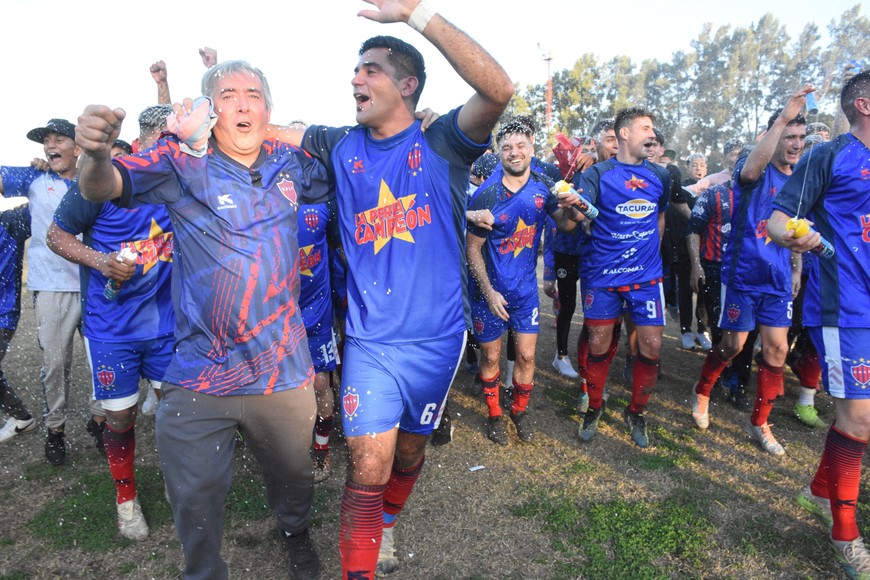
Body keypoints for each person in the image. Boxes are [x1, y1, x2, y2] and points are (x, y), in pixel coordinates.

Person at [280, 2, 513, 576]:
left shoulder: (443, 144)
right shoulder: (337, 144)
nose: (356, 78)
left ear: (407, 85)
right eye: (356, 70)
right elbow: (262, 130)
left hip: (436, 340)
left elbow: (499, 90)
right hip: (369, 341)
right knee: (366, 464)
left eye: (371, 69)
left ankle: (387, 523)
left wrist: (416, 14)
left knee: (407, 453)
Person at [75, 60, 330, 579]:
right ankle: (202, 570)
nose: (241, 104)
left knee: (293, 476)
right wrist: (96, 154)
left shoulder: (293, 163)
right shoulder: (179, 162)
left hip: (281, 369)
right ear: (209, 110)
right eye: (228, 95)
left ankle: (295, 531)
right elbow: (103, 186)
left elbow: (353, 162)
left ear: (269, 107)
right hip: (199, 372)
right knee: (193, 493)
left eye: (253, 94)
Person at [45, 104, 176, 541]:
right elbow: (55, 235)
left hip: (167, 325)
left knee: (177, 413)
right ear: (146, 143)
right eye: (168, 142)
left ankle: (180, 487)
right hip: (112, 328)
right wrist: (101, 261)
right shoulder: (102, 182)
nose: (174, 153)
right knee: (120, 420)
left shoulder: (181, 180)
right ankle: (126, 500)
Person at [768, 70, 870, 578]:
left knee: (860, 420)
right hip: (844, 306)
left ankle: (817, 492)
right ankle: (845, 536)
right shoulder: (828, 156)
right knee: (860, 422)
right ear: (865, 104)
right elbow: (777, 220)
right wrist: (797, 237)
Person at [688, 87, 811, 456]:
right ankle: (702, 390)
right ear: (775, 137)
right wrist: (782, 120)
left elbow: (798, 227)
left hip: (776, 279)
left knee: (775, 351)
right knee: (732, 345)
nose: (795, 144)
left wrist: (796, 269)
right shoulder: (754, 169)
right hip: (742, 275)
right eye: (789, 136)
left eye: (800, 138)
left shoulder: (802, 179)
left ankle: (759, 422)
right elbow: (753, 168)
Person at [467, 116, 584, 445]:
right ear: (499, 153)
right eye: (507, 147)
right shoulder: (486, 194)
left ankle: (519, 410)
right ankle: (494, 414)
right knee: (490, 357)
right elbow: (472, 250)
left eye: (520, 146)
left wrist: (572, 208)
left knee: (527, 356)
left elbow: (566, 226)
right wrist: (489, 292)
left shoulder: (545, 186)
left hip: (525, 293)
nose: (514, 152)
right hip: (489, 294)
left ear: (532, 148)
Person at [0, 118, 104, 465]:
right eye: (46, 141)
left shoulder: (96, 179)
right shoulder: (35, 177)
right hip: (51, 288)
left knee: (101, 360)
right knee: (54, 363)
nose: (50, 146)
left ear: (78, 147)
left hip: (95, 284)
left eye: (59, 139)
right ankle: (55, 430)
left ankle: (100, 420)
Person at [573, 106, 671, 448]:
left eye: (653, 128)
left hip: (646, 277)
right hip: (602, 275)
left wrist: (650, 252)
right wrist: (572, 203)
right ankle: (595, 407)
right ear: (625, 133)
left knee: (652, 347)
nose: (652, 134)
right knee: (598, 346)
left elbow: (659, 217)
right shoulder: (598, 173)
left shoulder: (661, 176)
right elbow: (578, 213)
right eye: (645, 127)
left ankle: (636, 412)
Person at [0, 201, 36, 443]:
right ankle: (20, 417)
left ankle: (21, 417)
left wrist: (42, 167)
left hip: (3, 312)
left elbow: (50, 200)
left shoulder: (12, 222)